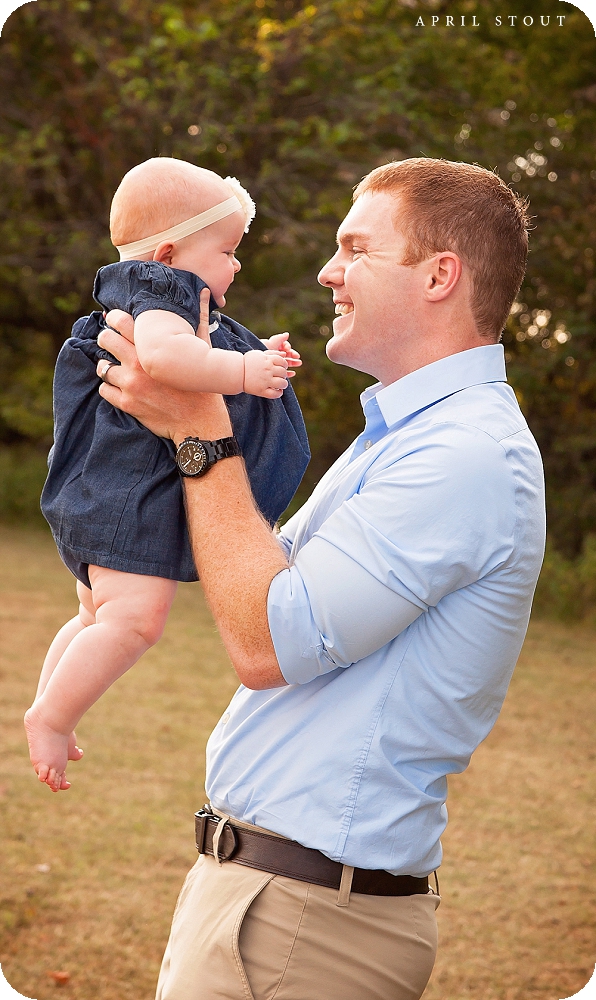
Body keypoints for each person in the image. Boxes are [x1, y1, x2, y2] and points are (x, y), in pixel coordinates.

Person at [95, 157, 546, 1000]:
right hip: (276, 903)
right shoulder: (406, 436)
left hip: (306, 925)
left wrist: (201, 428)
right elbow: (251, 582)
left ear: (441, 275)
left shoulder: (464, 454)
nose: (326, 272)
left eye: (355, 248)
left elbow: (267, 642)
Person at [24, 158, 309, 793]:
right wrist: (242, 375)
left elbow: (192, 351)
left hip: (102, 491)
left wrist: (256, 355)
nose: (236, 265)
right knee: (135, 622)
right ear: (172, 250)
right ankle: (50, 714)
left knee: (98, 615)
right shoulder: (161, 290)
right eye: (228, 250)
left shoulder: (152, 295)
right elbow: (164, 358)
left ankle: (52, 709)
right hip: (127, 497)